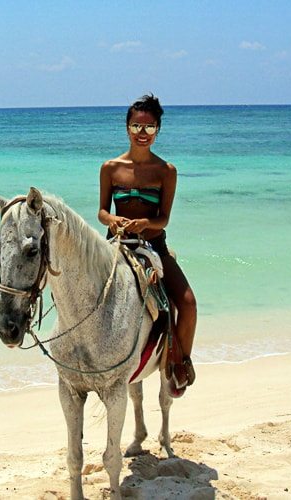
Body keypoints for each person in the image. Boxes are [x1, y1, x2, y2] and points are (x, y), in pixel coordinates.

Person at [98, 94, 197, 396]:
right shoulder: (110, 168)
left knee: (189, 304)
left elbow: (164, 218)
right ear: (127, 128)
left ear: (158, 131)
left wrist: (145, 225)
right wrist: (112, 220)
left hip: (154, 248)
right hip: (117, 247)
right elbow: (101, 212)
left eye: (150, 128)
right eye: (137, 127)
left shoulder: (166, 171)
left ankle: (177, 362)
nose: (143, 134)